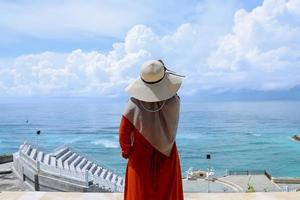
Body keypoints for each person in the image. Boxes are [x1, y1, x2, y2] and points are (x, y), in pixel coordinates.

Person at [119, 59, 184, 200]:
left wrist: (127, 152)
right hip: (168, 154)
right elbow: (172, 90)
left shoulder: (132, 105)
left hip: (139, 157)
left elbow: (123, 134)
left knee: (140, 193)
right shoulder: (174, 102)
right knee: (167, 192)